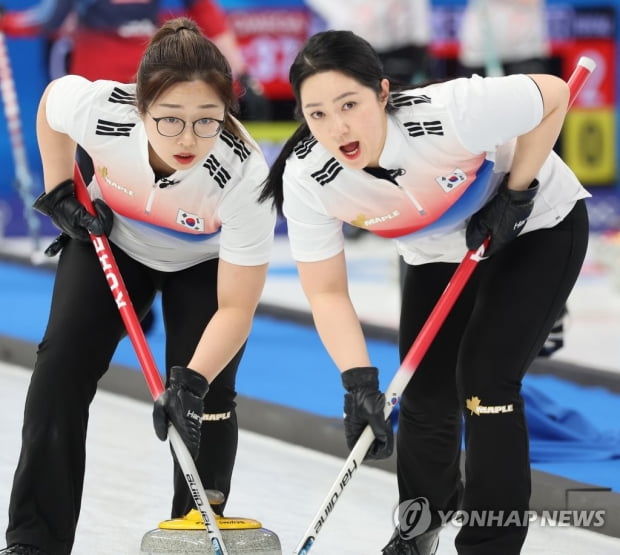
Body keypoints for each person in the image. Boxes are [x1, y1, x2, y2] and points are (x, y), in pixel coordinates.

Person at [259, 30, 589, 554]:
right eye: (317, 114)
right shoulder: (307, 178)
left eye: (350, 104)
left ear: (383, 93)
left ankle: (490, 546)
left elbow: (552, 93)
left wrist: (517, 193)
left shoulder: (450, 112)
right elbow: (325, 291)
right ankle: (418, 530)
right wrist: (357, 381)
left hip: (536, 228)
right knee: (425, 396)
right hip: (437, 249)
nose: (337, 126)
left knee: (485, 381)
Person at [1, 16, 275, 555]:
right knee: (59, 372)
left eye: (207, 121)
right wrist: (60, 190)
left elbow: (237, 308)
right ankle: (35, 542)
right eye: (170, 119)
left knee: (208, 398)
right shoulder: (103, 110)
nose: (189, 138)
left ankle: (194, 534)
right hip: (113, 239)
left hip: (205, 263)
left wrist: (190, 383)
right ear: (140, 106)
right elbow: (54, 102)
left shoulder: (246, 177)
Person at [0, 0, 270, 120]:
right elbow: (46, 19)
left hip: (145, 84)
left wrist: (242, 74)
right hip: (100, 89)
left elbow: (207, 13)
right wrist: (6, 21)